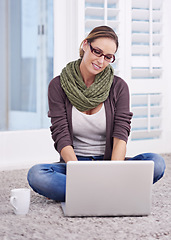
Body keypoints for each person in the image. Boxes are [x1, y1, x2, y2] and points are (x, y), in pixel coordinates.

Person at [27, 26, 166, 202]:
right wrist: (80, 174)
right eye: (97, 52)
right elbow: (60, 134)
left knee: (156, 163)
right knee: (37, 175)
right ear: (85, 45)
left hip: (111, 163)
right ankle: (111, 194)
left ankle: (86, 195)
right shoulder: (58, 86)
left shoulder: (118, 87)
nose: (101, 61)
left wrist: (113, 173)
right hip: (75, 163)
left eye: (108, 57)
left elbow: (121, 134)